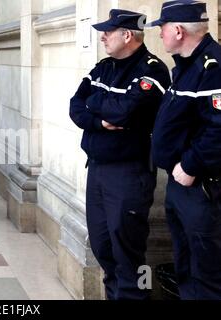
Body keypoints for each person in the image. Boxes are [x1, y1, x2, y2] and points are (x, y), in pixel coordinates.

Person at [69, 9, 171, 299]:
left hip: (129, 173)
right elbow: (76, 106)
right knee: (102, 246)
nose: (102, 36)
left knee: (128, 251)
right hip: (98, 169)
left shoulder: (152, 70)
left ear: (127, 35)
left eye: (108, 31)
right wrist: (100, 120)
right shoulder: (103, 67)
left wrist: (97, 103)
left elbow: (124, 111)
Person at [148, 0, 221, 300]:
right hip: (181, 187)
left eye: (162, 28)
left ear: (177, 30)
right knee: (186, 269)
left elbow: (218, 129)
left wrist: (190, 166)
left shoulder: (212, 67)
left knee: (207, 277)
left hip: (201, 187)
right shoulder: (187, 66)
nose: (160, 34)